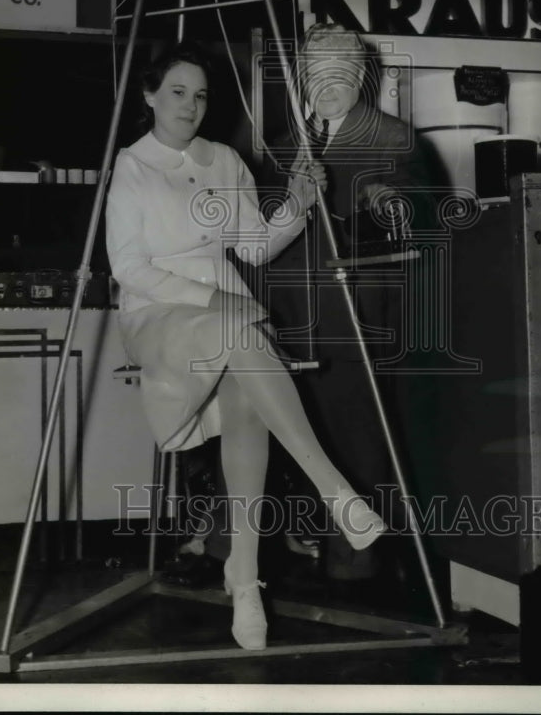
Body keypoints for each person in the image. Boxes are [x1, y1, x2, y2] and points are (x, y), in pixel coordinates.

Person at [105, 41, 386, 651]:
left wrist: (299, 205)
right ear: (150, 96)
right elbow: (129, 267)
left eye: (200, 95)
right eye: (176, 92)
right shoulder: (132, 166)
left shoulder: (224, 160)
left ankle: (246, 580)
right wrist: (218, 302)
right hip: (158, 315)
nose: (190, 105)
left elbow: (254, 245)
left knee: (247, 404)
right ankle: (334, 490)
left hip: (226, 317)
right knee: (240, 330)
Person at [263, 24, 431, 587]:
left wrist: (385, 201)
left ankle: (358, 569)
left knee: (357, 434)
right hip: (288, 313)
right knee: (299, 431)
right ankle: (303, 542)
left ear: (360, 75)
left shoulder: (393, 137)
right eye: (314, 72)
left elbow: (417, 212)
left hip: (354, 315)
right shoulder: (286, 142)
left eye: (338, 70)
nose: (325, 83)